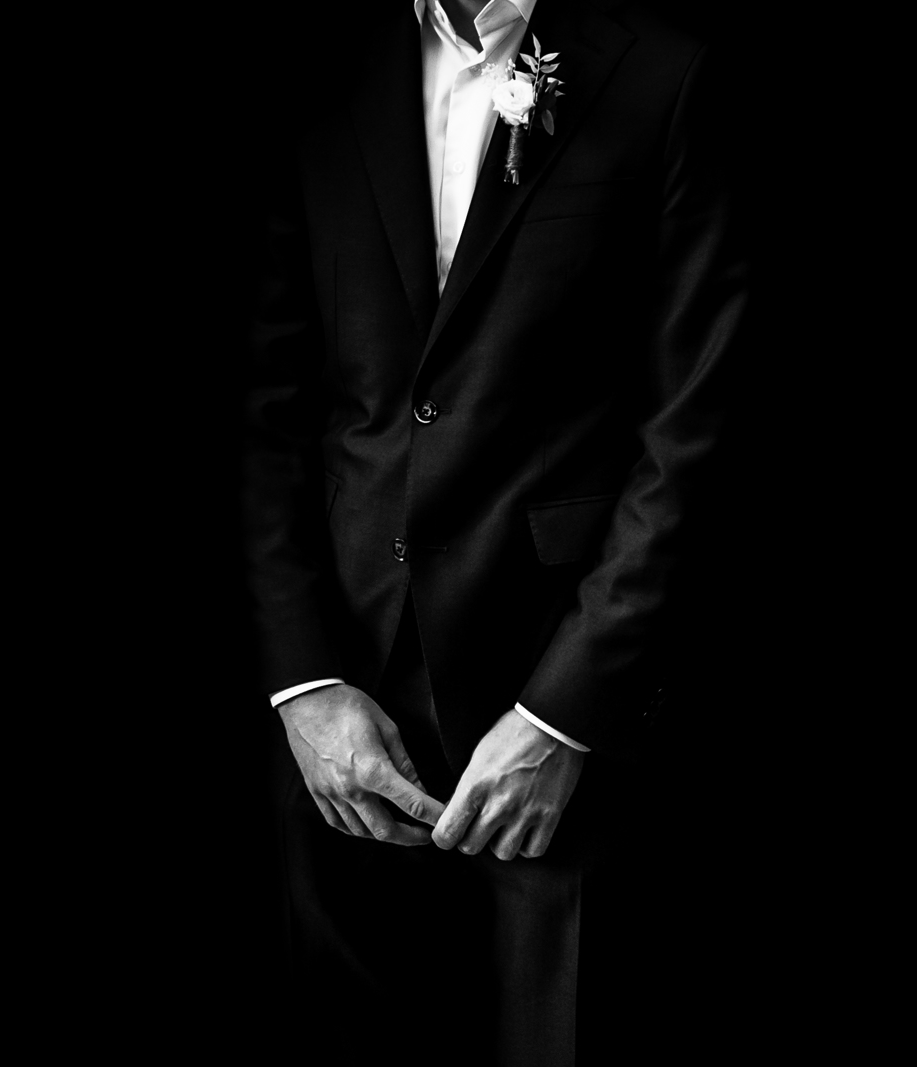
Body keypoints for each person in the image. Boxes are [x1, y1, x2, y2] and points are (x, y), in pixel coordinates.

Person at [242, 0, 745, 1061]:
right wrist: (304, 683)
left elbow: (696, 427)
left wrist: (564, 715)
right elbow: (266, 408)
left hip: (561, 700)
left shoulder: (666, 75)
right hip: (345, 707)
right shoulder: (314, 66)